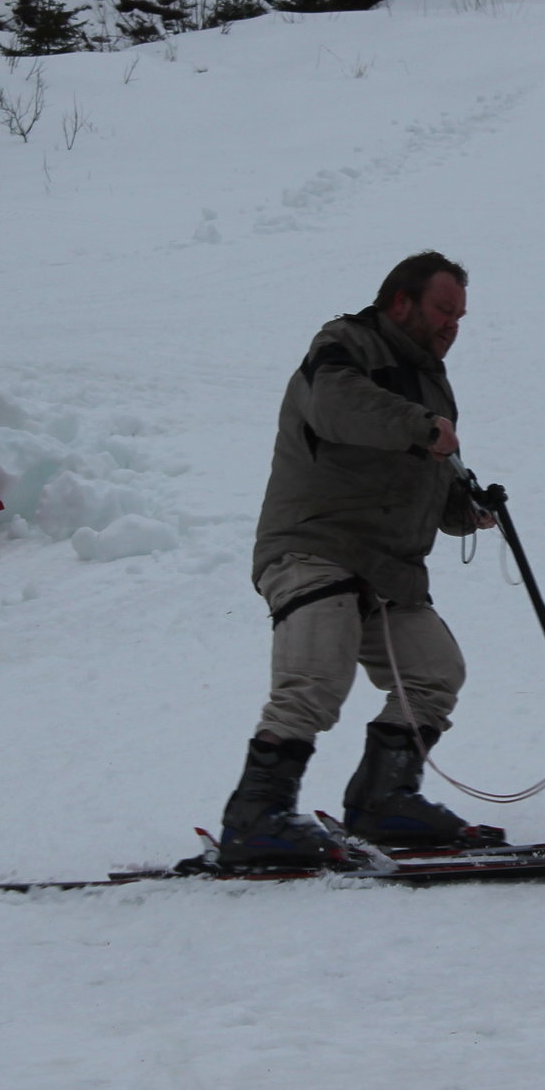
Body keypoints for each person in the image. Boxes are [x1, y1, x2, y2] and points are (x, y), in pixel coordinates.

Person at [217, 251, 505, 866]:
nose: (453, 324)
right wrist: (420, 424)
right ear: (401, 302)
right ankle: (256, 819)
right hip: (314, 549)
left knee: (434, 673)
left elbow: (421, 476)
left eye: (460, 315)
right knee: (315, 681)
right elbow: (340, 407)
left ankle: (385, 800)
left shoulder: (431, 383)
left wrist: (464, 509)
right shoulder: (344, 344)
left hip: (387, 569)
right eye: (442, 310)